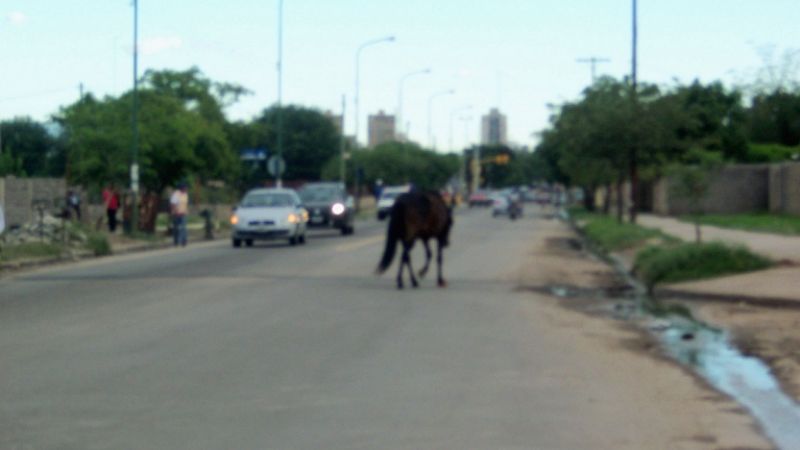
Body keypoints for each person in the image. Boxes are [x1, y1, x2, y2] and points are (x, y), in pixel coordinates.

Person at [170, 182, 189, 246]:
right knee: (176, 228)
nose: (186, 189)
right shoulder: (176, 194)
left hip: (183, 213)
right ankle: (176, 242)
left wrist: (186, 210)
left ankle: (183, 241)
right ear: (182, 188)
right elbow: (173, 204)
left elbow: (185, 204)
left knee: (183, 228)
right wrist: (175, 211)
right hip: (176, 213)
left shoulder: (185, 194)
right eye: (185, 187)